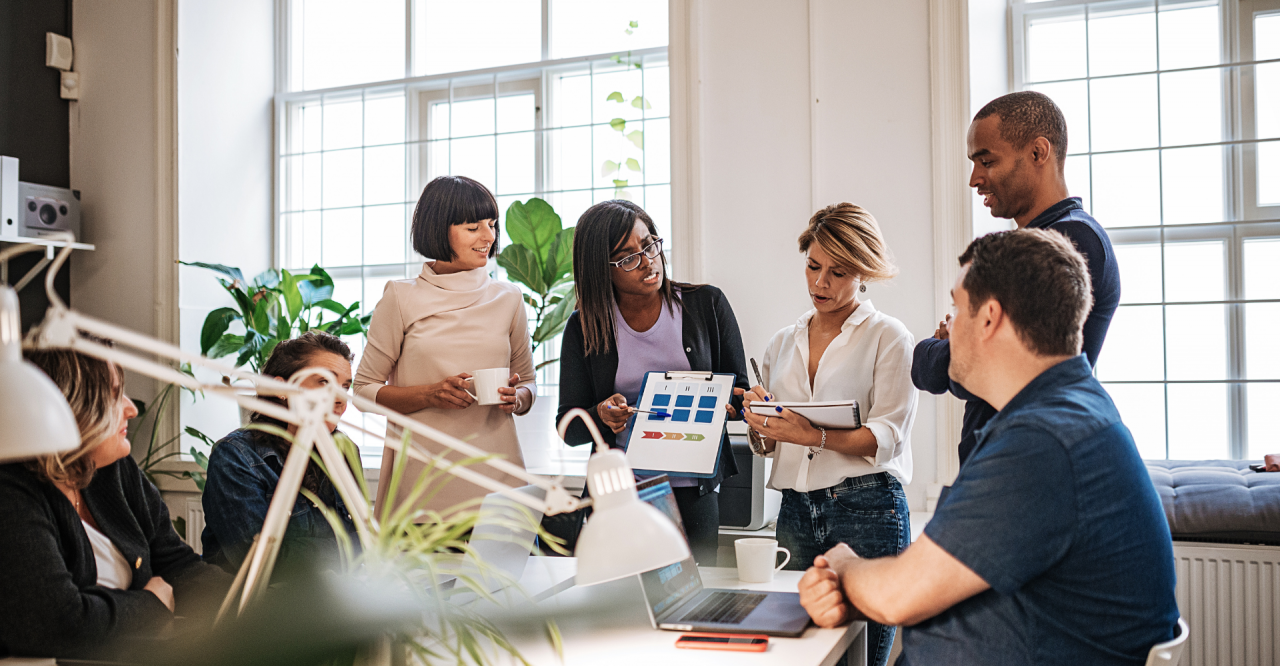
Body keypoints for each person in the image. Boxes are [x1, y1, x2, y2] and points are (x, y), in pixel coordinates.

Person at [798, 230, 1177, 665]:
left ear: (989, 318)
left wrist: (844, 567)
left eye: (957, 308)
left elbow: (896, 596)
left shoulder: (1041, 442)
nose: (947, 327)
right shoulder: (1073, 411)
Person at [739, 202, 917, 666]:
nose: (821, 283)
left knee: (864, 658)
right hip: (795, 513)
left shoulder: (889, 336)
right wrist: (757, 422)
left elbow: (885, 438)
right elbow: (770, 445)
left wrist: (810, 435)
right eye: (814, 267)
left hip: (869, 509)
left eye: (837, 273)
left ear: (863, 273)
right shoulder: (783, 342)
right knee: (801, 656)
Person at [913, 90, 1121, 465]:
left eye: (986, 160)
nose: (975, 179)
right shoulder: (1033, 242)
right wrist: (965, 337)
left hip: (1030, 460)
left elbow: (975, 367)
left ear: (1038, 152)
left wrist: (938, 348)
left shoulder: (1070, 240)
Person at [0, 349, 229, 659]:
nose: (132, 409)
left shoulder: (113, 470)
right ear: (72, 407)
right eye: (115, 395)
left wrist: (260, 602)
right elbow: (55, 623)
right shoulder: (12, 491)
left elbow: (178, 567)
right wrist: (151, 606)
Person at [557, 199, 747, 565]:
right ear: (602, 270)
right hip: (621, 494)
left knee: (694, 602)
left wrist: (735, 402)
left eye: (650, 245)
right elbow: (569, 428)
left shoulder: (707, 304)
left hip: (696, 490)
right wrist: (601, 414)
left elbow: (739, 392)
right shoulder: (584, 328)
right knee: (621, 606)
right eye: (627, 257)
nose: (647, 261)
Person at [354, 175, 535, 516]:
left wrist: (519, 398)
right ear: (439, 229)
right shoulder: (400, 297)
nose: (489, 237)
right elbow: (362, 390)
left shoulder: (508, 298)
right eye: (472, 228)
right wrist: (429, 395)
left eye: (492, 224)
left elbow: (526, 382)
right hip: (424, 485)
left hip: (500, 481)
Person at [201, 331, 360, 576]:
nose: (340, 399)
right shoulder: (236, 457)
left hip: (333, 600)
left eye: (345, 386)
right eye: (324, 382)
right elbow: (257, 558)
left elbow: (363, 546)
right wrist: (340, 552)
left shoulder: (344, 450)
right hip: (259, 607)